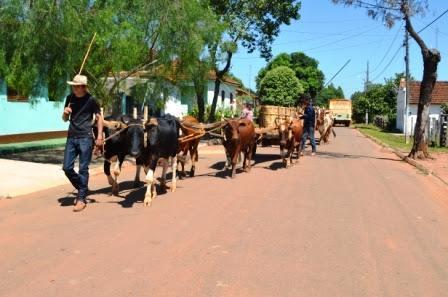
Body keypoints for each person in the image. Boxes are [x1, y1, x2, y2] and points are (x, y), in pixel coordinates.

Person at [62, 74, 103, 212]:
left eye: (76, 86)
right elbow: (64, 118)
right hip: (71, 136)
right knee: (66, 168)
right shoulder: (70, 98)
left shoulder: (91, 100)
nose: (73, 88)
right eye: (73, 85)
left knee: (83, 169)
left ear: (83, 87)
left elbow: (99, 119)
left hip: (86, 137)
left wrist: (99, 138)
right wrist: (65, 113)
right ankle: (82, 188)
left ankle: (81, 198)